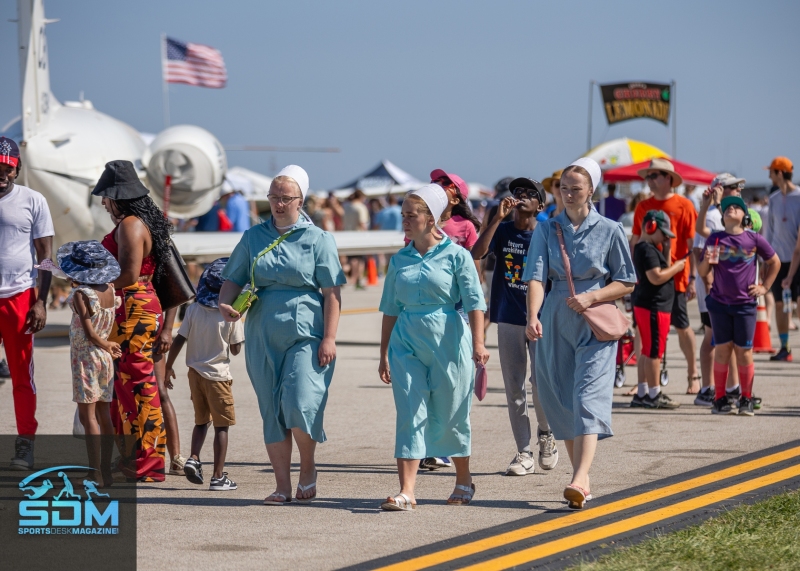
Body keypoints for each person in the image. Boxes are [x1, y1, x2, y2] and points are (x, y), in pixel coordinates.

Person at [218, 165, 345, 506]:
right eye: (273, 197)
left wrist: (330, 338)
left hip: (306, 327)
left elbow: (332, 291)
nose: (277, 203)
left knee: (300, 400)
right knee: (271, 409)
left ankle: (308, 467)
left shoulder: (318, 239)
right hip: (262, 328)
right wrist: (224, 304)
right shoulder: (253, 237)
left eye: (285, 198)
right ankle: (281, 485)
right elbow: (233, 278)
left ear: (300, 200)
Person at [524, 158, 635, 510]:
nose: (568, 193)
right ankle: (582, 480)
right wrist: (532, 315)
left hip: (594, 317)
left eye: (576, 188)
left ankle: (577, 477)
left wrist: (593, 295)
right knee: (560, 397)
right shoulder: (546, 228)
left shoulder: (611, 229)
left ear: (592, 191)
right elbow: (537, 277)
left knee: (588, 397)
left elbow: (626, 280)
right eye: (563, 187)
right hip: (556, 314)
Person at [378, 184, 488, 511]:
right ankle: (407, 491)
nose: (405, 221)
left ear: (431, 219)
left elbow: (474, 302)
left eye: (412, 216)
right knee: (410, 412)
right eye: (404, 216)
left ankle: (463, 479)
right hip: (406, 341)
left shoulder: (457, 255)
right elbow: (390, 308)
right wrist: (383, 352)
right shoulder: (399, 260)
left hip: (449, 340)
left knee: (451, 413)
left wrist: (479, 343)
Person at [471, 178, 558, 475]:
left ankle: (546, 434)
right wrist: (496, 218)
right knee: (514, 388)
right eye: (517, 192)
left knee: (541, 384)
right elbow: (477, 253)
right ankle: (523, 452)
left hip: (539, 318)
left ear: (540, 205)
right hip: (507, 316)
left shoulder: (546, 233)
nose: (521, 196)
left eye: (529, 194)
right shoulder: (504, 229)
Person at [93, 160, 171, 482]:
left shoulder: (129, 225)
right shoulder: (143, 222)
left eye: (105, 197)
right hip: (137, 308)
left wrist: (92, 283)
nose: (102, 203)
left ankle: (149, 463)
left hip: (133, 311)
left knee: (138, 386)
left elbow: (129, 274)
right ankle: (134, 457)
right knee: (130, 386)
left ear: (116, 196)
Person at [165, 258, 244, 491]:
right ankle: (218, 476)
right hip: (218, 376)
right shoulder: (231, 315)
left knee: (201, 421)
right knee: (222, 427)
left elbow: (179, 339)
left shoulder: (193, 309)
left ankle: (194, 458)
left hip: (194, 374)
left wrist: (168, 366)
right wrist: (239, 320)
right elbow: (236, 349)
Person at [0, 136, 54, 470]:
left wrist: (42, 301)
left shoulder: (33, 200)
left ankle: (25, 443)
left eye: (7, 168)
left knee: (22, 375)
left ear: (17, 168)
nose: (2, 174)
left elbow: (46, 257)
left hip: (19, 297)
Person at [698, 196, 780, 415]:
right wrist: (706, 260)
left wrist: (764, 287)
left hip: (745, 305)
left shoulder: (753, 239)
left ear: (745, 216)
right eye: (726, 208)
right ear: (723, 217)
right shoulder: (716, 239)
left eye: (736, 207)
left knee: (744, 351)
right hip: (719, 304)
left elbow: (775, 262)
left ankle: (746, 398)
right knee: (723, 350)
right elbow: (703, 272)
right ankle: (720, 399)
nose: (730, 210)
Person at [630, 158, 699, 394]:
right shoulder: (642, 207)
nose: (649, 180)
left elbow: (691, 244)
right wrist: (630, 274)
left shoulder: (685, 205)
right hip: (648, 279)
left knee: (683, 327)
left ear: (668, 178)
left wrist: (693, 278)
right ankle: (644, 385)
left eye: (654, 175)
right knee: (644, 332)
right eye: (648, 176)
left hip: (677, 277)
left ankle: (693, 375)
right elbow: (635, 240)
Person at [59, 240, 122, 486]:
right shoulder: (110, 290)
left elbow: (88, 333)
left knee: (89, 418)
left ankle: (93, 471)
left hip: (86, 358)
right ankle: (106, 470)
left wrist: (104, 344)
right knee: (104, 414)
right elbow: (102, 328)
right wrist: (108, 345)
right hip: (105, 360)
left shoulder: (80, 294)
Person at [692, 174, 745, 406]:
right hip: (713, 287)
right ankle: (707, 388)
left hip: (725, 289)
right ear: (721, 190)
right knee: (713, 337)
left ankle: (731, 386)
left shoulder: (727, 216)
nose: (739, 191)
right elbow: (700, 250)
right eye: (734, 187)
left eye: (740, 187)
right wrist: (709, 284)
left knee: (725, 339)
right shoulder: (714, 217)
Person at [629, 211, 684, 410]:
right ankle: (654, 394)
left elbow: (661, 270)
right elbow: (656, 277)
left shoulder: (649, 247)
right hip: (653, 306)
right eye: (663, 233)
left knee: (647, 350)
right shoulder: (647, 249)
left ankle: (643, 392)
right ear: (651, 227)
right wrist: (677, 268)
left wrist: (667, 250)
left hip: (649, 305)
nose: (665, 237)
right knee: (654, 353)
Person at [764, 157, 800, 361]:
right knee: (779, 305)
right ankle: (785, 347)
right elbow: (769, 232)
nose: (769, 175)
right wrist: (765, 260)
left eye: (771, 171)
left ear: (779, 173)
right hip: (779, 260)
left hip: (798, 260)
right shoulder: (774, 199)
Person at [343, 189, 370, 289]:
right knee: (359, 259)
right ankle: (358, 279)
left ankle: (348, 274)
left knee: (351, 258)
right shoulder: (361, 207)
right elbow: (363, 222)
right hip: (359, 235)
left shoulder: (346, 206)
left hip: (347, 234)